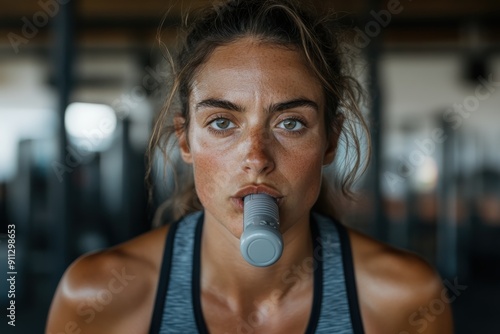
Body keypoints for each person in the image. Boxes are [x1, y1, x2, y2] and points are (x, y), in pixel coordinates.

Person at [46, 0, 453, 333]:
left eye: (290, 123)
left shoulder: (405, 299)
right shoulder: (97, 298)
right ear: (185, 139)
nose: (257, 158)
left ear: (329, 141)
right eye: (222, 123)